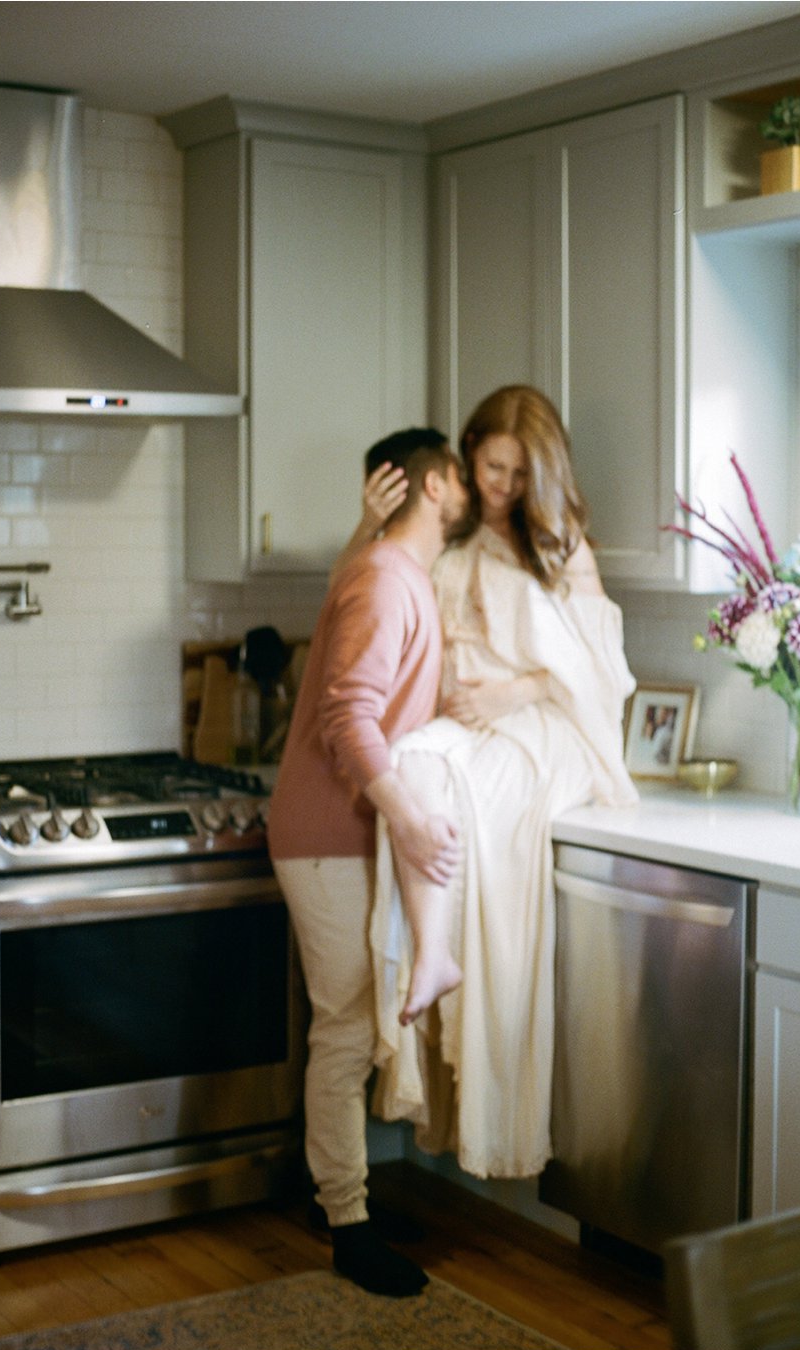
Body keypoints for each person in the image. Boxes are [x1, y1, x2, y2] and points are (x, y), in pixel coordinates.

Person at [366, 385, 639, 1182]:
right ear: (469, 450)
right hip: (472, 727)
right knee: (411, 767)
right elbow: (382, 592)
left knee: (472, 797)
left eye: (520, 473)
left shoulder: (564, 550)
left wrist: (510, 693)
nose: (504, 486)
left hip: (548, 731)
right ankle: (436, 955)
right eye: (492, 466)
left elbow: (598, 677)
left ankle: (469, 1014)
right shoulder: (451, 538)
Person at [266, 426, 470, 1297]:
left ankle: (339, 1197)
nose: (474, 491)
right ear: (433, 485)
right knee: (347, 1030)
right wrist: (413, 819)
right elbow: (346, 719)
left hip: (340, 834)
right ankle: (347, 1223)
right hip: (327, 836)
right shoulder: (389, 579)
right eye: (466, 475)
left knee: (348, 1025)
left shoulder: (387, 569)